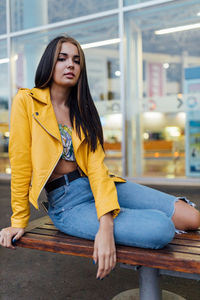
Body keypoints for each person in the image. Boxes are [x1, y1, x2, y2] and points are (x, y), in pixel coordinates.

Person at [0, 35, 200, 280]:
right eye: (62, 58)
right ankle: (131, 220)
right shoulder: (27, 101)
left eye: (76, 60)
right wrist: (18, 220)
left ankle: (121, 218)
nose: (70, 64)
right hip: (68, 202)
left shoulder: (82, 110)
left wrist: (106, 224)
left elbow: (96, 169)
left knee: (192, 217)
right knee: (161, 228)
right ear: (49, 63)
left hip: (101, 186)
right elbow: (20, 164)